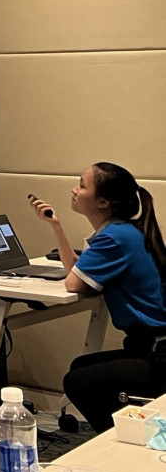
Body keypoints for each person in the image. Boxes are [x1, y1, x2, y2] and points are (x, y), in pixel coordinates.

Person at [30, 163, 166, 432]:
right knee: (81, 366)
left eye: (82, 185)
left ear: (103, 202)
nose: (74, 189)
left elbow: (72, 283)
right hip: (150, 346)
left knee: (79, 381)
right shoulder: (126, 231)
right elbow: (78, 274)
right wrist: (56, 226)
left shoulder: (114, 238)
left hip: (157, 353)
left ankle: (125, 442)